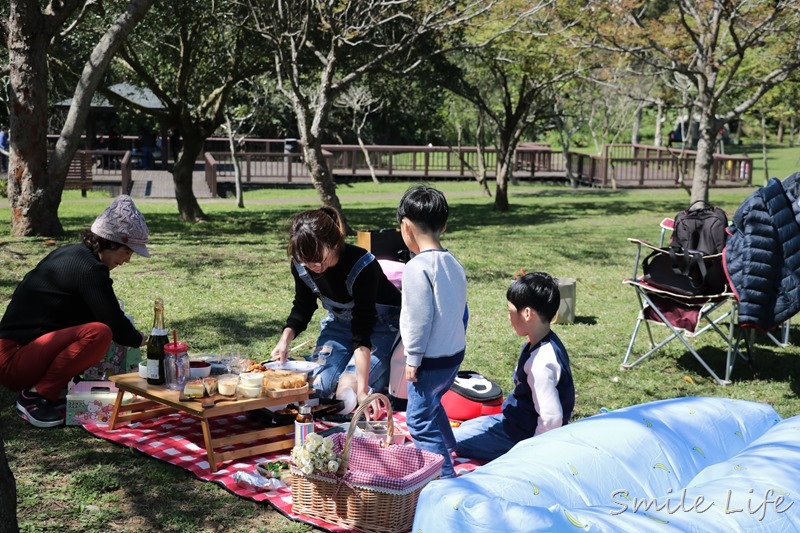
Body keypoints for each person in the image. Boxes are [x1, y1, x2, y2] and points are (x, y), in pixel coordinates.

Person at [0, 195, 150, 428]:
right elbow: (114, 324)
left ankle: (56, 386)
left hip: (16, 351)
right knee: (99, 333)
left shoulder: (72, 253)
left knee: (94, 328)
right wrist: (144, 340)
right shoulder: (90, 269)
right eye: (127, 252)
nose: (127, 260)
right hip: (13, 359)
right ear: (112, 243)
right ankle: (35, 397)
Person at [270, 206, 401, 417]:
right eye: (305, 260)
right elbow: (303, 305)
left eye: (317, 259)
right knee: (318, 387)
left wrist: (361, 390)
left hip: (382, 325)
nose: (312, 266)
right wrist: (285, 339)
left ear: (333, 244)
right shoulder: (301, 264)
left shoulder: (362, 265)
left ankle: (369, 379)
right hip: (340, 323)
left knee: (347, 392)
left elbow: (362, 331)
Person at [453, 272, 575, 462]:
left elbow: (551, 419)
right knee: (465, 428)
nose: (509, 317)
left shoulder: (541, 362)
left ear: (526, 313)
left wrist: (529, 456)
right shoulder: (544, 341)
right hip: (513, 420)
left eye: (510, 311)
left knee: (452, 441)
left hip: (520, 435)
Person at [397, 185, 467, 479]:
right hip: (452, 356)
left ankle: (446, 479)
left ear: (406, 227)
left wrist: (412, 358)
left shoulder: (416, 268)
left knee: (418, 420)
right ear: (444, 225)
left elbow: (419, 318)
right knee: (432, 403)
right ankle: (449, 445)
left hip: (429, 361)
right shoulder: (453, 263)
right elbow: (464, 312)